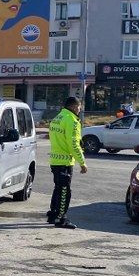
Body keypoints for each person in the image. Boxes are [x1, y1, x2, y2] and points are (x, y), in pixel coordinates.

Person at [47, 97, 88, 229]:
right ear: (75, 107)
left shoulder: (58, 117)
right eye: (79, 107)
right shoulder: (72, 121)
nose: (80, 109)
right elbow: (74, 144)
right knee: (65, 191)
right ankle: (61, 219)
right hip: (65, 161)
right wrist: (82, 162)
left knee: (58, 189)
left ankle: (53, 214)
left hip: (55, 159)